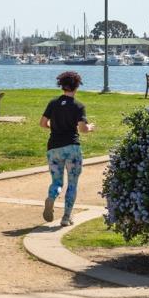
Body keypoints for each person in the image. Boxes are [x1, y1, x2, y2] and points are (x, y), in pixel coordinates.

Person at [40, 70, 93, 225]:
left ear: (61, 85)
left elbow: (43, 123)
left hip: (53, 147)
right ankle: (66, 217)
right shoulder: (78, 106)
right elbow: (82, 128)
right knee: (72, 183)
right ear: (77, 87)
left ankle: (51, 197)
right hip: (72, 148)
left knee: (57, 182)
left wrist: (54, 126)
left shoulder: (53, 103)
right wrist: (90, 128)